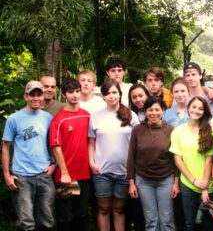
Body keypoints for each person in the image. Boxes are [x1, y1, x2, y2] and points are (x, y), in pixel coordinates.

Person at [2, 81, 56, 231]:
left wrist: (54, 164)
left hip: (44, 175)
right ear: (26, 96)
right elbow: (5, 147)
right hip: (22, 176)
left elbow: (53, 144)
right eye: (32, 95)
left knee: (47, 221)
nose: (36, 98)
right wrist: (7, 175)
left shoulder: (47, 118)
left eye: (39, 95)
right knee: (26, 223)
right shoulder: (14, 119)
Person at [88, 79, 139, 231]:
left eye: (114, 92)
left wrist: (132, 170)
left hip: (124, 172)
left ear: (120, 94)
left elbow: (136, 144)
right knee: (103, 209)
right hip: (102, 171)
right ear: (103, 96)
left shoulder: (131, 115)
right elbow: (91, 142)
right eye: (107, 93)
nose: (111, 96)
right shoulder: (95, 116)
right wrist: (91, 162)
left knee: (119, 209)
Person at [127, 96, 178, 231]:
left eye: (157, 109)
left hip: (166, 179)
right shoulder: (138, 129)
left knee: (166, 219)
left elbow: (176, 158)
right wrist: (131, 183)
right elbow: (131, 156)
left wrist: (176, 182)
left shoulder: (171, 130)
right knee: (151, 220)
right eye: (150, 110)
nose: (154, 113)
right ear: (145, 111)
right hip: (143, 181)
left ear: (163, 111)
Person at [50, 78, 91, 231]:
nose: (74, 95)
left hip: (85, 175)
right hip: (67, 177)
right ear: (64, 94)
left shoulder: (87, 115)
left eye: (77, 91)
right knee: (66, 216)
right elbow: (56, 147)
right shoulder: (59, 119)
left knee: (81, 214)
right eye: (70, 92)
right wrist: (65, 173)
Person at [170, 96, 213, 231]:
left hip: (207, 185)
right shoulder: (177, 131)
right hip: (187, 184)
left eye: (200, 108)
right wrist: (193, 180)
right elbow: (178, 159)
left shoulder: (210, 131)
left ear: (205, 111)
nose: (196, 110)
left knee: (207, 224)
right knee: (190, 223)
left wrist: (205, 188)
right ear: (188, 108)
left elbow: (209, 160)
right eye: (194, 107)